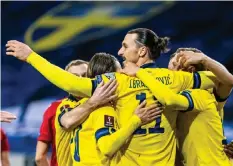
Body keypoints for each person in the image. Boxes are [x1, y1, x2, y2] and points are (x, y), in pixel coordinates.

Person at [6, 29, 217, 165]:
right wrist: (204, 60)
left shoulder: (116, 82)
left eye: (125, 46)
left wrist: (31, 57)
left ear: (142, 51)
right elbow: (220, 80)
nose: (121, 51)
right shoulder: (174, 79)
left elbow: (70, 83)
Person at [58, 53, 162, 166]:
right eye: (120, 73)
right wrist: (136, 120)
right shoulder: (101, 108)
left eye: (84, 75)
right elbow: (107, 147)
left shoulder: (85, 105)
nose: (123, 75)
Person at [35, 60, 89, 166]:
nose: (80, 80)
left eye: (85, 75)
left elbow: (39, 157)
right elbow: (39, 157)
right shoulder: (103, 106)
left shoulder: (53, 109)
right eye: (74, 77)